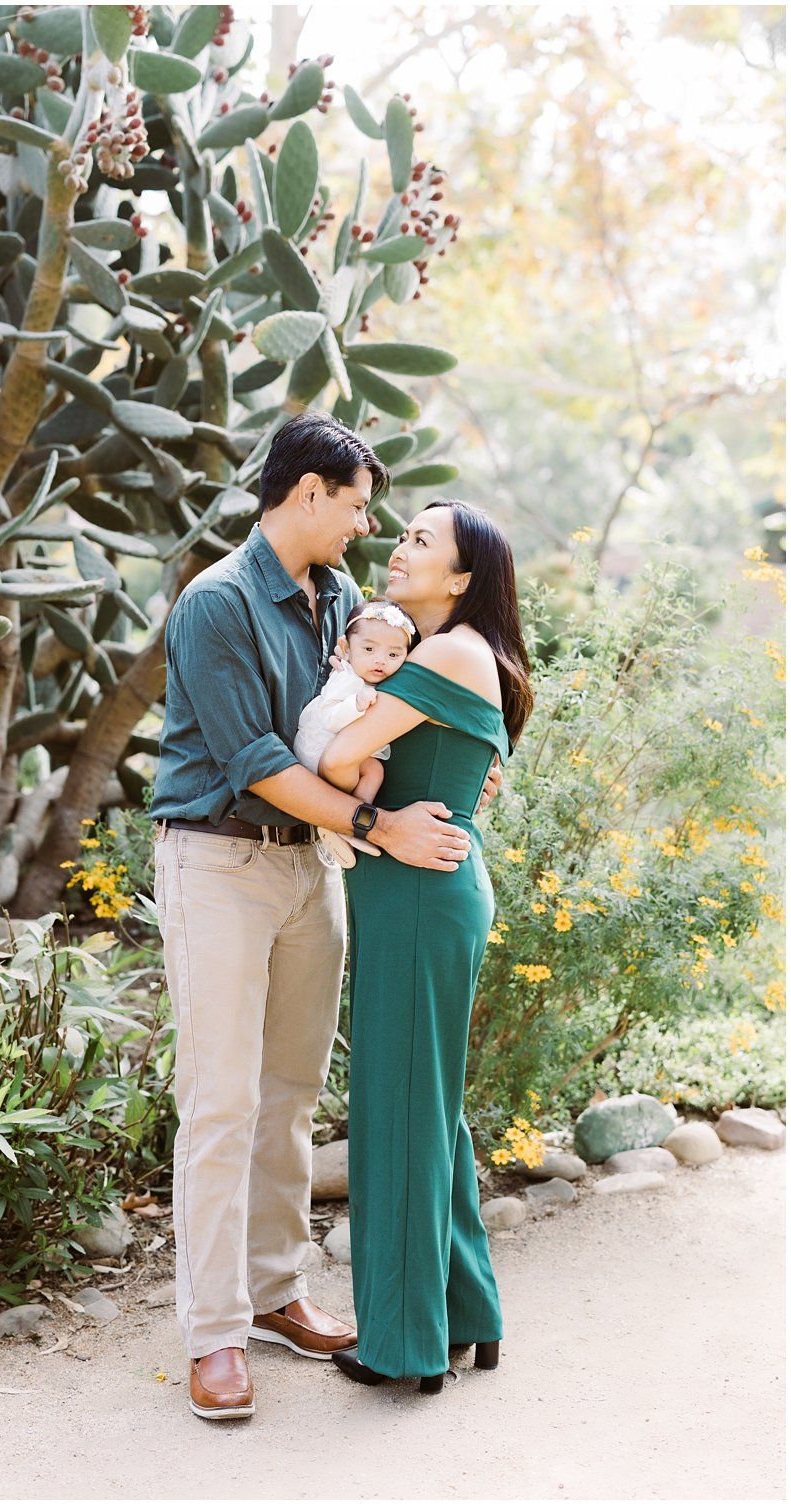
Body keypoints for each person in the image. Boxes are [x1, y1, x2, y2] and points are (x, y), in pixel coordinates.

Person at [149, 413, 497, 1422]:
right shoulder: (214, 603)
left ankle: (275, 1289)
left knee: (292, 1090)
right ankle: (214, 1330)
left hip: (310, 866)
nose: (363, 524)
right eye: (353, 503)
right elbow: (256, 757)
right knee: (220, 1098)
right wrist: (377, 823)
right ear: (306, 493)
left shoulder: (343, 599)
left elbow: (369, 711)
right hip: (218, 859)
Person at [318, 499, 534, 1394]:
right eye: (400, 531)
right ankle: (465, 1312)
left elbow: (337, 758)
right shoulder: (455, 652)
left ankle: (402, 1344)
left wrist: (345, 731)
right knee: (427, 1105)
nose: (398, 547)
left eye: (419, 540)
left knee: (397, 1109)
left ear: (461, 578)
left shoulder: (446, 650)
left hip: (416, 890)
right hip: (427, 890)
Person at [293, 597, 420, 866]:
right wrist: (356, 704)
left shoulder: (368, 679)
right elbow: (329, 718)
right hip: (317, 750)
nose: (381, 660)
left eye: (394, 655)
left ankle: (349, 820)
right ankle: (347, 820)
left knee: (375, 771)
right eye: (369, 649)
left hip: (336, 750)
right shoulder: (347, 679)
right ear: (345, 648)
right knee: (373, 770)